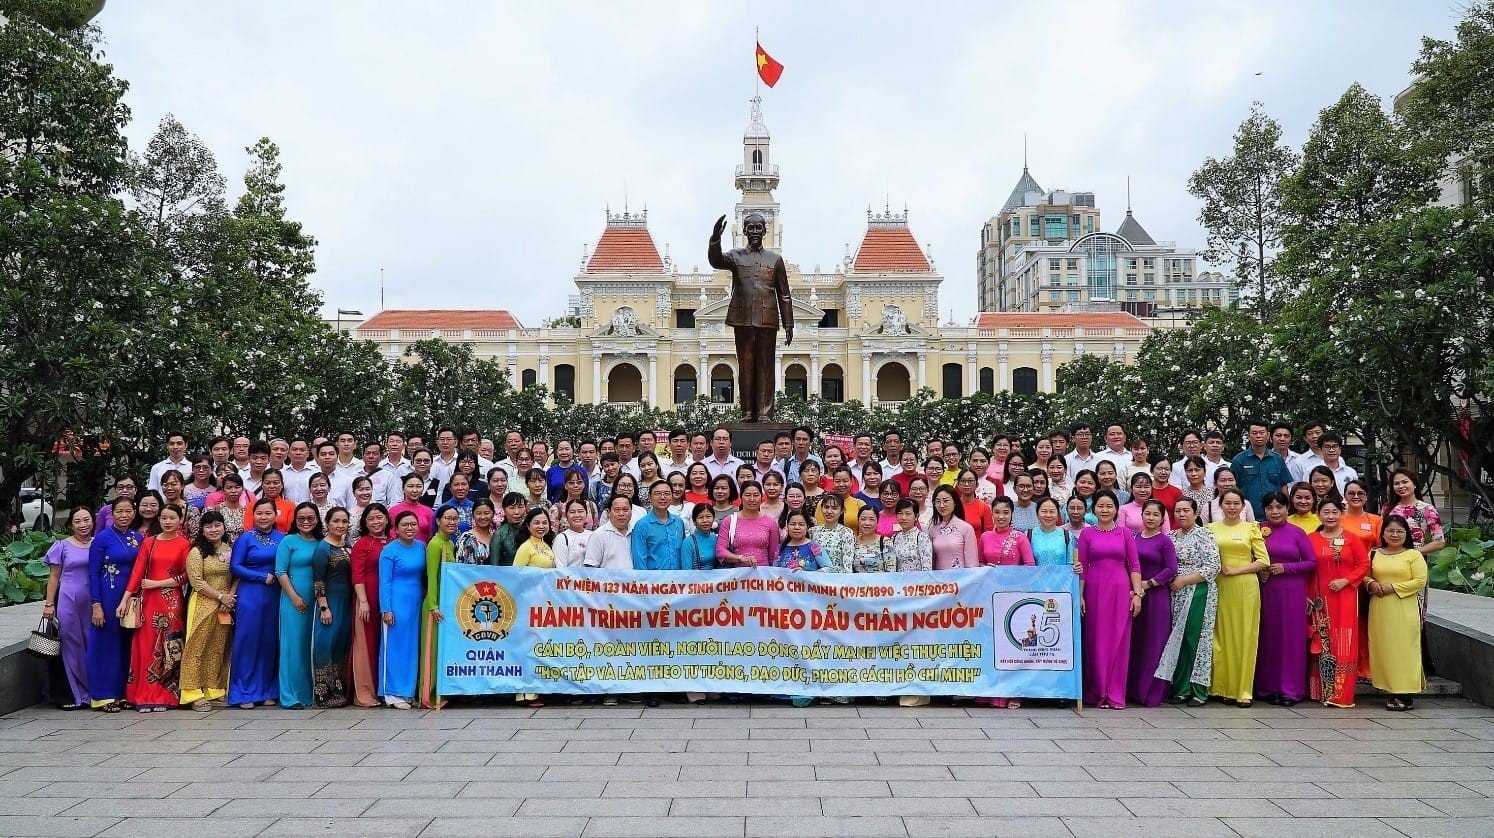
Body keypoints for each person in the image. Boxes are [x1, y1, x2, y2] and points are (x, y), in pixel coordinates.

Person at [120, 503, 191, 712]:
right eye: (164, 518)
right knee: (145, 645)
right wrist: (125, 599)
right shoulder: (148, 543)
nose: (167, 522)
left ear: (180, 520)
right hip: (148, 600)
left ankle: (166, 695)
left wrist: (158, 583)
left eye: (172, 518)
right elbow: (137, 572)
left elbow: (187, 576)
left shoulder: (185, 544)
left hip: (171, 602)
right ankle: (142, 694)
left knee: (169, 646)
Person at [1078, 491, 1143, 709]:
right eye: (1100, 506)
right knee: (1095, 641)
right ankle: (1097, 693)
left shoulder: (1124, 533)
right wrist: (1080, 596)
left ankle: (1115, 694)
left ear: (1116, 509)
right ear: (1093, 509)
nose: (1104, 510)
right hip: (1094, 591)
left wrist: (1137, 595)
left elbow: (1134, 566)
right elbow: (1083, 569)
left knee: (1119, 640)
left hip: (1120, 590)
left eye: (1109, 506)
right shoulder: (1087, 535)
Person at [1206, 488, 1270, 706]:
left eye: (1236, 503)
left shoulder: (1251, 528)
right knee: (1219, 635)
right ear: (1220, 505)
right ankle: (1220, 687)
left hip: (1245, 586)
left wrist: (1237, 570)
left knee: (1244, 636)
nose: (1232, 507)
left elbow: (1263, 560)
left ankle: (1242, 690)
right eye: (1228, 503)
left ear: (1243, 507)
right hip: (1219, 585)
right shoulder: (1209, 529)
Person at [1156, 498, 1221, 706]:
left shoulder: (1203, 534)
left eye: (1186, 511)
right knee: (1179, 638)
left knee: (1196, 638)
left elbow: (1213, 566)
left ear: (1195, 513)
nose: (1182, 515)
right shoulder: (1171, 536)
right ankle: (1181, 687)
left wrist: (1184, 580)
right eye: (1178, 511)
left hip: (1197, 590)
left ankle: (1198, 689)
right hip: (1175, 594)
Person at [1254, 492, 1316, 707]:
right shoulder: (1256, 529)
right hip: (1265, 589)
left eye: (1279, 507)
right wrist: (1257, 570)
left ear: (1287, 508)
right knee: (1267, 637)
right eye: (1270, 507)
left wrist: (1286, 567)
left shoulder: (1297, 533)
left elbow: (1310, 562)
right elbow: (1246, 557)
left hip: (1292, 590)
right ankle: (1266, 688)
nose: (1275, 512)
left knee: (1291, 639)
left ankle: (1291, 689)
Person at [1307, 496, 1369, 708]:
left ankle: (1342, 694)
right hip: (1319, 599)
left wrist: (1346, 580)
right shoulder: (1311, 538)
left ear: (1341, 515)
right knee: (1323, 640)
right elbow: (1307, 567)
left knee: (1344, 640)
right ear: (1318, 515)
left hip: (1345, 597)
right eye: (1326, 512)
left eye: (1334, 512)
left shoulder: (1352, 539)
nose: (1330, 516)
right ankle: (1322, 692)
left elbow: (1363, 565)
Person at [1367, 515, 1428, 711]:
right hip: (1380, 607)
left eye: (1399, 531)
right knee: (1384, 648)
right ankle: (1391, 689)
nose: (1394, 535)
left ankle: (1406, 693)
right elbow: (1364, 575)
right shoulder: (1374, 553)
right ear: (1382, 532)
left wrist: (1392, 587)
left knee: (1404, 648)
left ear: (1406, 534)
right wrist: (1372, 583)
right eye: (1390, 530)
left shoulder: (1413, 555)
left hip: (1404, 607)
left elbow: (1419, 581)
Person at [228, 500, 283, 708]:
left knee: (270, 642)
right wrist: (261, 577)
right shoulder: (246, 538)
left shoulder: (282, 538)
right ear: (253, 515)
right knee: (248, 642)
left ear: (274, 515)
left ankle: (268, 689)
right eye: (259, 513)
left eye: (268, 513)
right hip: (251, 595)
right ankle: (244, 692)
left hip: (275, 596)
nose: (263, 517)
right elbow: (235, 566)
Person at [178, 511, 235, 711]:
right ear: (202, 530)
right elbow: (197, 582)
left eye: (217, 525)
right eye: (209, 526)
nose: (213, 530)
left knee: (218, 647)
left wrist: (229, 599)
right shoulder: (197, 552)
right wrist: (220, 597)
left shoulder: (229, 549)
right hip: (203, 603)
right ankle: (191, 692)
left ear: (224, 527)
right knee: (197, 646)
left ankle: (214, 688)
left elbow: (236, 574)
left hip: (225, 605)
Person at [42, 507, 94, 709]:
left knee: (91, 642)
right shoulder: (62, 546)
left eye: (87, 520)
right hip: (68, 598)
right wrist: (49, 604)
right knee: (71, 645)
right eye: (78, 521)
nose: (83, 525)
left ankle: (92, 690)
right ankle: (74, 693)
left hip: (93, 600)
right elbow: (54, 576)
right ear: (71, 524)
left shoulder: (98, 543)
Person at [275, 503, 325, 710]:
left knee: (308, 647)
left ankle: (307, 692)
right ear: (295, 520)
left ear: (317, 519)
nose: (306, 522)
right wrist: (294, 597)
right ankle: (289, 695)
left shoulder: (322, 542)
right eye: (301, 518)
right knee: (292, 646)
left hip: (317, 600)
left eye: (310, 518)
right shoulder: (289, 541)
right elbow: (280, 571)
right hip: (293, 598)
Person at [1128, 500, 1177, 708]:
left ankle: (1152, 692)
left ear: (1162, 518)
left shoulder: (1165, 541)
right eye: (1147, 514)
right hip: (1134, 596)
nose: (1150, 518)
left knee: (1154, 644)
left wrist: (1146, 585)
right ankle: (1133, 690)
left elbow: (1171, 569)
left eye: (1155, 515)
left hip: (1156, 597)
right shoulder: (1133, 538)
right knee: (1136, 643)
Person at [379, 511, 426, 710]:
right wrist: (386, 608)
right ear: (396, 529)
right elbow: (384, 582)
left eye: (413, 524)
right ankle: (392, 692)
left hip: (416, 602)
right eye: (405, 525)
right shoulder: (389, 551)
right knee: (395, 647)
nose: (409, 528)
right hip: (396, 602)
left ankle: (408, 691)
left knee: (412, 647)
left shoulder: (422, 546)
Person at [311, 508, 354, 707]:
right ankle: (322, 693)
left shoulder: (347, 546)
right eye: (336, 521)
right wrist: (324, 607)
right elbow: (318, 581)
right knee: (325, 645)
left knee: (339, 646)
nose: (340, 525)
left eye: (344, 521)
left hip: (346, 602)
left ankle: (337, 689)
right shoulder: (323, 548)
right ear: (327, 523)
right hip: (330, 602)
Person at [419, 505, 460, 709]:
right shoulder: (435, 544)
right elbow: (431, 577)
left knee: (441, 649)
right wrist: (433, 606)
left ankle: (438, 690)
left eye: (455, 519)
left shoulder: (450, 543)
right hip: (434, 605)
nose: (451, 522)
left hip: (446, 603)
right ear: (438, 521)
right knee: (431, 650)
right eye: (447, 518)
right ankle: (427, 695)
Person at [349, 504, 390, 708]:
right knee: (368, 644)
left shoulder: (394, 541)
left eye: (379, 517)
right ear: (365, 522)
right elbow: (357, 575)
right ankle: (366, 691)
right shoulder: (362, 544)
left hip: (389, 600)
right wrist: (363, 601)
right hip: (368, 599)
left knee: (387, 643)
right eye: (371, 518)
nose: (376, 522)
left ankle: (386, 688)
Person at [1231, 422, 1291, 518]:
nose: (1258, 436)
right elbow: (1234, 487)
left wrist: (1287, 509)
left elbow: (1284, 486)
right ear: (1249, 436)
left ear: (1267, 436)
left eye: (1262, 432)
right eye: (1254, 433)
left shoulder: (1277, 459)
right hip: (1248, 515)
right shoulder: (1239, 460)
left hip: (1275, 514)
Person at [716, 481, 779, 567]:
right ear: (741, 497)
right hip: (737, 576)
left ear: (761, 497)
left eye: (756, 495)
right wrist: (740, 558)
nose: (752, 499)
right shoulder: (729, 521)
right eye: (748, 495)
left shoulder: (770, 522)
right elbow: (720, 551)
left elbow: (774, 556)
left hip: (763, 576)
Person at [632, 481, 685, 571]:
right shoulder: (642, 525)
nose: (662, 497)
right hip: (654, 582)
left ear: (672, 496)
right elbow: (639, 559)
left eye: (667, 493)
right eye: (657, 494)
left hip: (677, 581)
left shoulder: (678, 522)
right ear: (649, 497)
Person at [584, 495, 636, 570]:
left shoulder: (636, 532)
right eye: (617, 510)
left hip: (634, 580)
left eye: (625, 510)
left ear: (631, 511)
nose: (621, 513)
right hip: (607, 581)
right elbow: (590, 568)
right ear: (609, 512)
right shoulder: (598, 535)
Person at [980, 497, 1035, 567]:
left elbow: (1030, 565)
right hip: (990, 577)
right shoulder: (985, 536)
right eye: (997, 512)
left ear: (1012, 513)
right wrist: (986, 568)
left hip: (1014, 577)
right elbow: (980, 563)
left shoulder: (1020, 537)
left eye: (1006, 513)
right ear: (992, 513)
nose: (1001, 516)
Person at [810, 493, 855, 573]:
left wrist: (826, 571)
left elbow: (847, 569)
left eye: (834, 508)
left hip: (836, 582)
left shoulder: (846, 533)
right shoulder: (812, 532)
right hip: (814, 582)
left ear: (841, 511)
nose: (829, 511)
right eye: (826, 507)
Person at [1029, 498, 1077, 570]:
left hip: (1061, 580)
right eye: (1044, 511)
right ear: (1037, 514)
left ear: (1058, 514)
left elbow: (1071, 565)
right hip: (1036, 580)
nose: (1048, 515)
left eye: (1052, 511)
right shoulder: (1029, 534)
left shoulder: (1067, 535)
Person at [390, 473, 436, 542]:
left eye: (418, 486)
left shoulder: (429, 512)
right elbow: (391, 536)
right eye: (410, 486)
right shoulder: (393, 511)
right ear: (403, 489)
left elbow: (431, 537)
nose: (414, 490)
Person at [889, 498, 932, 572]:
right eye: (900, 513)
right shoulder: (894, 538)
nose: (903, 517)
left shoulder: (922, 538)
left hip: (916, 582)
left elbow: (927, 567)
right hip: (898, 582)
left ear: (916, 516)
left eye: (908, 514)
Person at [1340, 480, 1382, 553]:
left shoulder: (1377, 520)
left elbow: (1380, 547)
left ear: (1366, 497)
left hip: (1368, 562)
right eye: (1351, 493)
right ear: (1345, 496)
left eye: (1360, 493)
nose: (1356, 496)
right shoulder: (1336, 519)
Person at [453, 498, 496, 565]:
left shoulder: (497, 536)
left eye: (486, 513)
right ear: (473, 515)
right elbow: (460, 568)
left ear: (493, 514)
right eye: (478, 513)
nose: (483, 517)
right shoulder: (466, 539)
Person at [553, 500, 594, 568]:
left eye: (580, 511)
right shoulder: (562, 538)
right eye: (572, 512)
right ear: (566, 516)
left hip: (592, 578)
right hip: (569, 578)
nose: (577, 515)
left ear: (586, 514)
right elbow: (560, 568)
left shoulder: (593, 536)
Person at [954, 468, 994, 538]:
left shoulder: (983, 507)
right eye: (963, 481)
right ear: (958, 485)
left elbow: (989, 535)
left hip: (977, 548)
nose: (966, 484)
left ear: (977, 484)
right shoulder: (952, 506)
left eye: (970, 481)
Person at [851, 507, 892, 573]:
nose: (867, 523)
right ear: (858, 521)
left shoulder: (885, 542)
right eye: (863, 519)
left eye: (871, 519)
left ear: (877, 521)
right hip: (857, 583)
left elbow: (891, 571)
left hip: (881, 582)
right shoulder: (852, 542)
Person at [680, 505, 719, 571]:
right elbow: (686, 572)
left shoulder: (716, 538)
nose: (705, 520)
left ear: (714, 519)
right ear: (694, 521)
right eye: (700, 517)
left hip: (716, 580)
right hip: (696, 580)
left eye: (708, 516)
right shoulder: (688, 542)